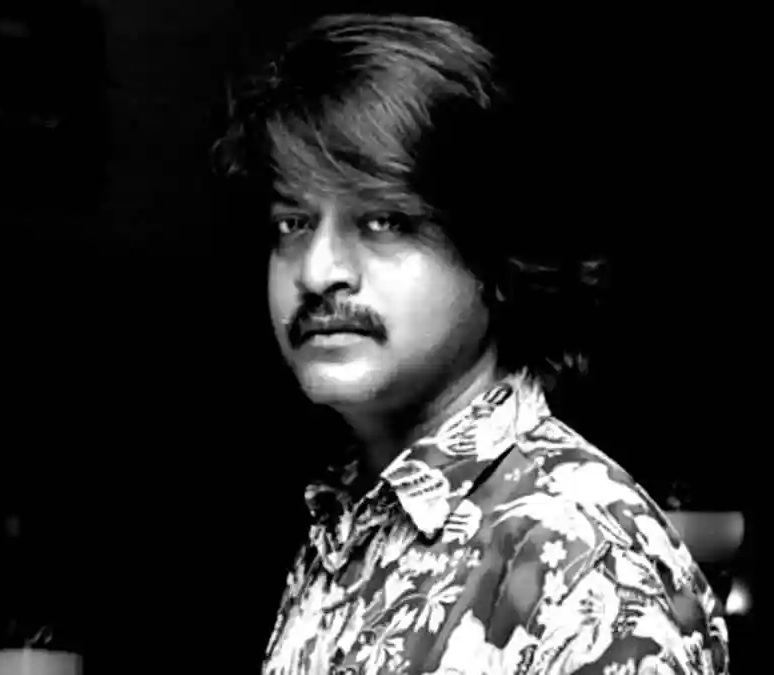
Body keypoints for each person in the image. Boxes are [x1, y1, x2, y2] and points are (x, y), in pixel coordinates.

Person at [213, 13, 729, 674]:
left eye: (384, 220)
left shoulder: (583, 564)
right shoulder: (350, 522)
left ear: (492, 253)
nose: (317, 272)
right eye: (293, 223)